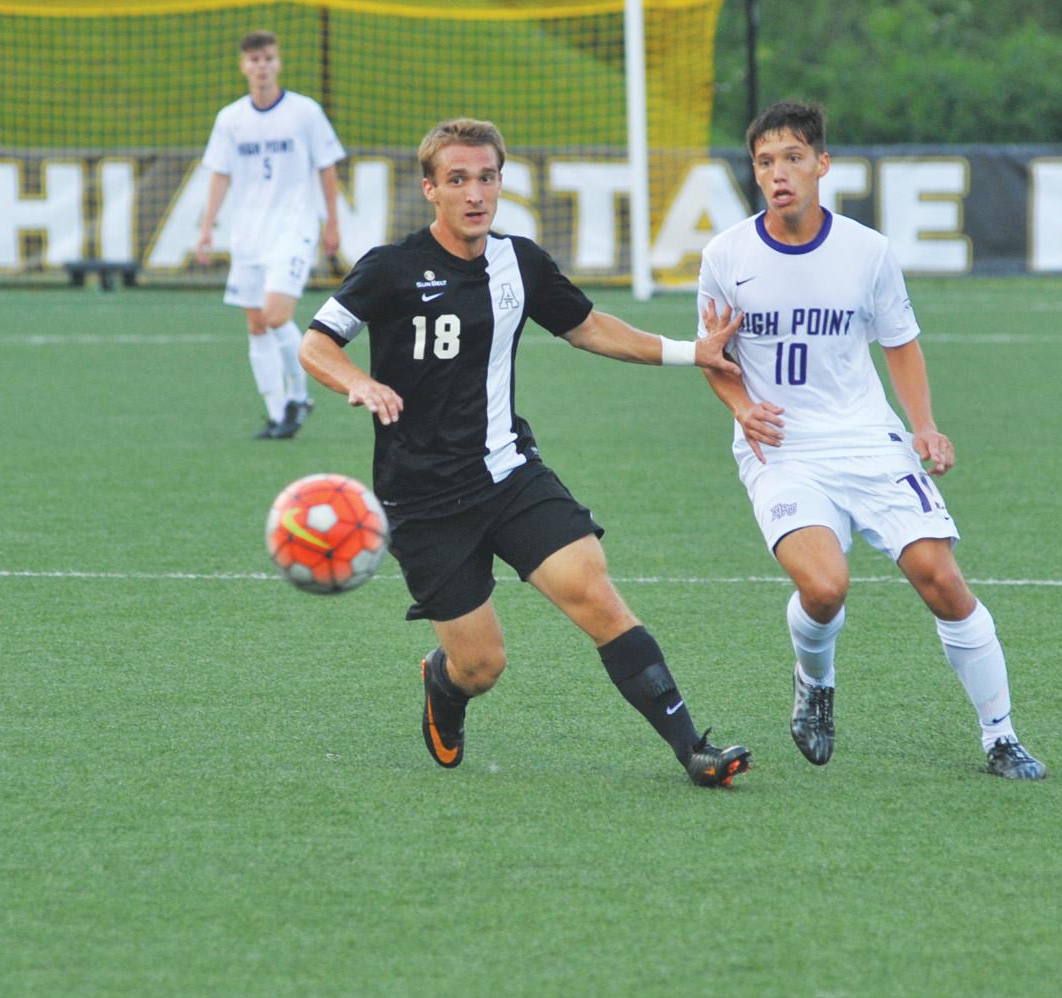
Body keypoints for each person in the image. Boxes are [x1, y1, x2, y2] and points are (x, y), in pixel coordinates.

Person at [301, 118, 752, 787]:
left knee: (594, 590)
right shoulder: (390, 269)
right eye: (458, 179)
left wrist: (693, 353)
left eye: (487, 177)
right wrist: (360, 381)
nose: (475, 192)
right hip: (422, 501)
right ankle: (444, 686)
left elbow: (590, 327)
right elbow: (316, 344)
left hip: (508, 473)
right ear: (430, 189)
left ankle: (693, 749)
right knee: (482, 666)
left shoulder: (521, 262)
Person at [696, 100, 1046, 780]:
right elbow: (715, 357)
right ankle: (815, 681)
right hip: (783, 450)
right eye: (765, 161)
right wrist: (741, 406)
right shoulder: (726, 255)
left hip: (867, 439)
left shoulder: (867, 251)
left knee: (940, 578)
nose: (778, 173)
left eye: (793, 158)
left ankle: (1000, 736)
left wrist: (924, 426)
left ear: (822, 164)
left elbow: (901, 343)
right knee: (825, 589)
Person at [195, 30, 343, 440]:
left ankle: (299, 395)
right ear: (243, 66)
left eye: (268, 59)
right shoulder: (230, 119)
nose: (261, 66)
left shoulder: (304, 113)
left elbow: (326, 167)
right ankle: (278, 412)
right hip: (248, 234)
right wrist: (207, 228)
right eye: (254, 60)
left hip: (293, 228)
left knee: (277, 314)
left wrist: (332, 222)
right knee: (257, 324)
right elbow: (220, 174)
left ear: (278, 63)